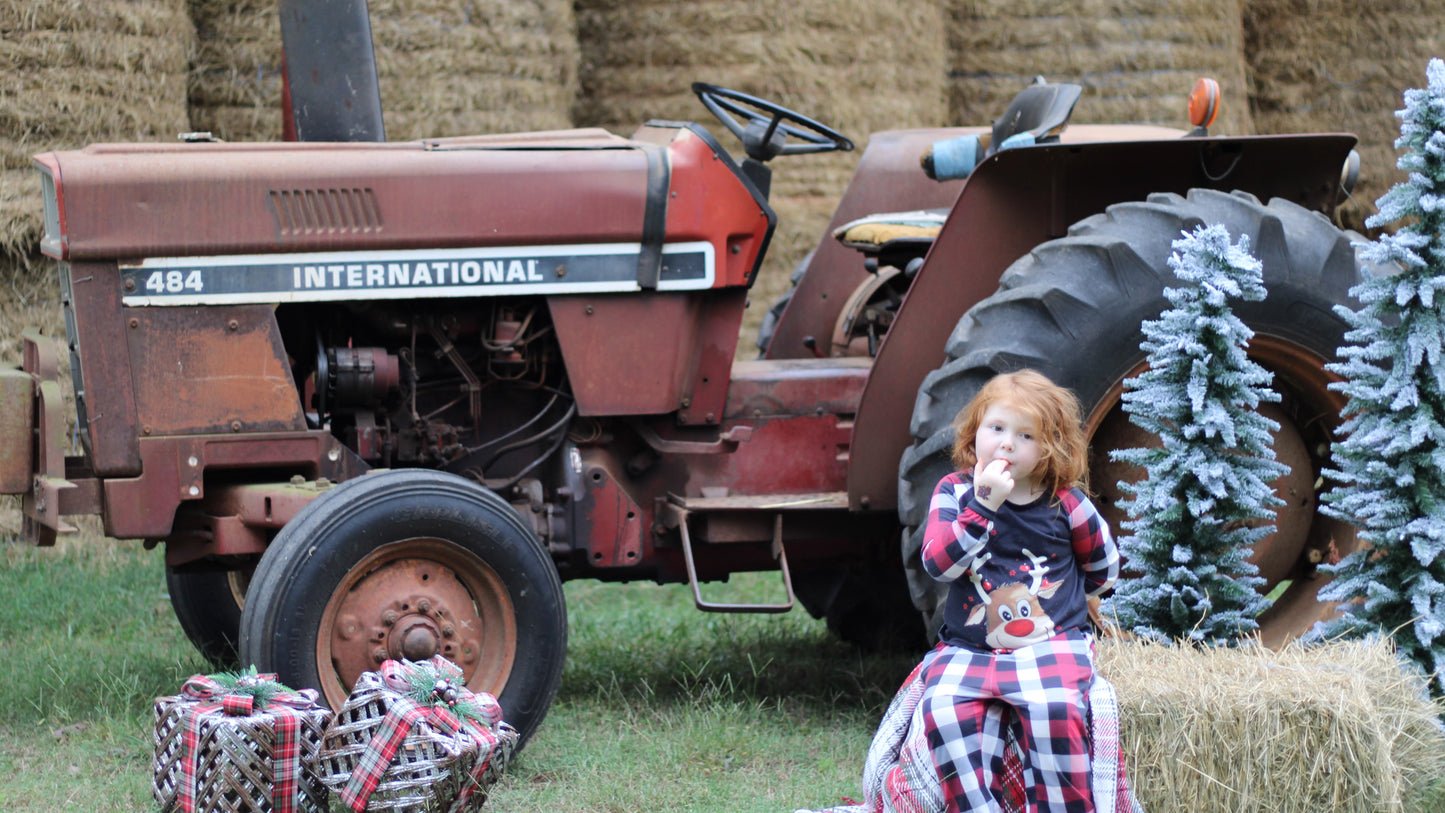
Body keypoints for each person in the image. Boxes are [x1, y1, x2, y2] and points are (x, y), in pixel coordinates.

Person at [919, 369, 1119, 813]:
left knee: (1056, 711)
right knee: (943, 710)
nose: (1007, 443)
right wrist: (982, 506)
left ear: (1051, 447)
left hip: (1050, 646)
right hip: (968, 648)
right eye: (996, 429)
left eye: (1025, 435)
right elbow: (938, 565)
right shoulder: (954, 492)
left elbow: (1105, 567)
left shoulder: (1065, 503)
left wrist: (1068, 597)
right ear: (975, 433)